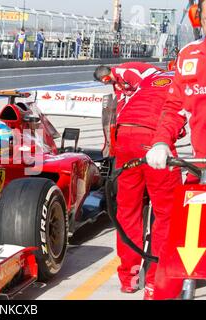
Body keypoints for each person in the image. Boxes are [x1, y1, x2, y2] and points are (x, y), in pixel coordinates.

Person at [145, 0, 206, 301]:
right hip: (200, 173)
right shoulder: (190, 55)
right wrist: (160, 141)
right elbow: (174, 107)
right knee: (176, 255)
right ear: (198, 16)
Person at [112, 71, 182, 300]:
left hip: (123, 134)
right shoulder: (193, 76)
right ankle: (155, 283)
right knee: (167, 213)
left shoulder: (152, 77)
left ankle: (128, 278)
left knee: (128, 210)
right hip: (153, 135)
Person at [93, 62, 162, 112]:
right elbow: (120, 101)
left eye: (104, 82)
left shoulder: (124, 73)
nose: (105, 84)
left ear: (105, 78)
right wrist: (118, 118)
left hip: (159, 78)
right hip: (149, 85)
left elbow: (142, 90)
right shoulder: (116, 84)